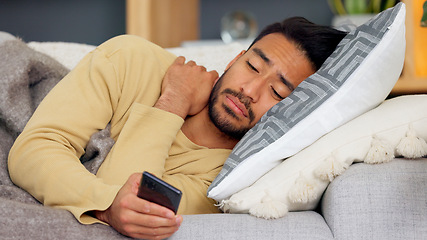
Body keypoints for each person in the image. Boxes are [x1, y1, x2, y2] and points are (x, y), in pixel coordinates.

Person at [8, 17, 346, 239]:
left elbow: (128, 205)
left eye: (277, 92)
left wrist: (172, 102)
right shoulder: (131, 59)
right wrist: (107, 203)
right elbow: (33, 148)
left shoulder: (225, 186)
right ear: (233, 58)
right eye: (252, 65)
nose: (249, 90)